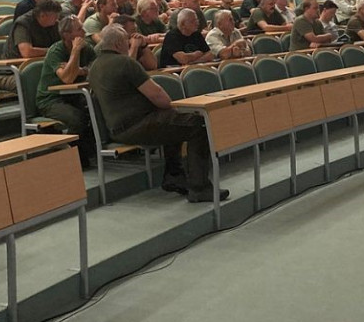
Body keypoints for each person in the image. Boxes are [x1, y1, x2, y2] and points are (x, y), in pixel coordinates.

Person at [89, 24, 227, 202]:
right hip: (137, 124)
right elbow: (157, 95)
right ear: (117, 44)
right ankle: (199, 188)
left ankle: (174, 176)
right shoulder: (125, 63)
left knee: (175, 122)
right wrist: (173, 107)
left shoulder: (94, 67)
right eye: (126, 41)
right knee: (198, 124)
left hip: (117, 127)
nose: (129, 45)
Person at [35, 16, 97, 167]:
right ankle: (68, 158)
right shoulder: (56, 51)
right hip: (51, 99)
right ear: (67, 35)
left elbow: (96, 69)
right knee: (77, 118)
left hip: (74, 96)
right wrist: (75, 51)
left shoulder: (87, 48)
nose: (84, 32)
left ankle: (91, 151)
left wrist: (81, 70)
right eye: (79, 29)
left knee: (97, 108)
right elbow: (68, 78)